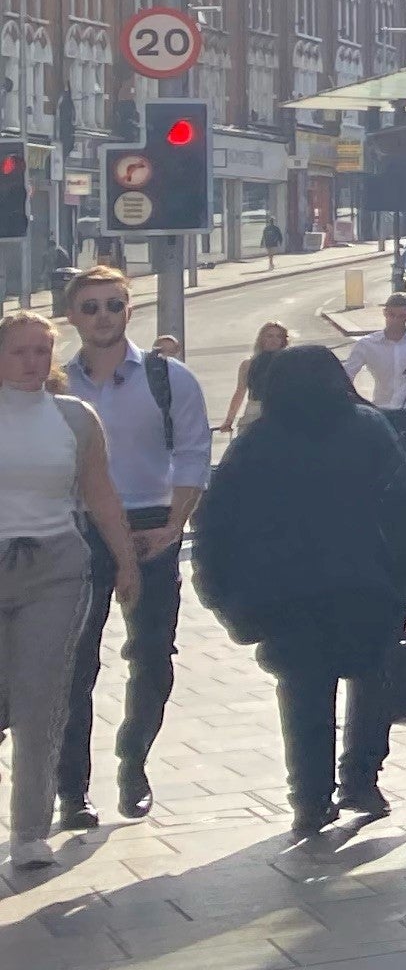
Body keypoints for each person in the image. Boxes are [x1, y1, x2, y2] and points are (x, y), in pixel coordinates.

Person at [186, 343, 406, 844]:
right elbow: (403, 504)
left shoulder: (256, 443)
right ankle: (362, 779)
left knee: (304, 693)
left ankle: (309, 798)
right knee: (372, 681)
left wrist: (221, 593)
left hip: (286, 593)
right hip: (365, 583)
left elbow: (216, 524)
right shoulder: (368, 428)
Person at [55, 261, 209, 829]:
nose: (103, 317)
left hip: (152, 522)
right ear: (72, 316)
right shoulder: (54, 382)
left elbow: (194, 451)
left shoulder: (169, 378)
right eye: (90, 307)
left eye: (113, 305)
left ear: (129, 309)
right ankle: (72, 790)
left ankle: (132, 763)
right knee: (75, 662)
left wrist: (174, 525)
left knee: (151, 656)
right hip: (77, 525)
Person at [1, 312, 136, 871]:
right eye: (20, 352)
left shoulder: (75, 418)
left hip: (55, 566)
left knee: (41, 697)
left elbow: (101, 495)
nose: (33, 362)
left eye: (42, 351)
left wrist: (126, 561)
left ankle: (30, 829)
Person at [324, 286, 406, 448]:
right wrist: (360, 404)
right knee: (385, 459)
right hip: (382, 408)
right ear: (385, 313)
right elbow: (345, 377)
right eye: (392, 315)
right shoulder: (367, 344)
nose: (396, 320)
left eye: (402, 316)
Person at [221, 320, 293, 436]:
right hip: (254, 412)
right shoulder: (248, 365)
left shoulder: (291, 363)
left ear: (283, 340)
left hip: (281, 413)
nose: (274, 340)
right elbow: (240, 392)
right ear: (261, 339)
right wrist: (229, 420)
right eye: (269, 336)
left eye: (278, 336)